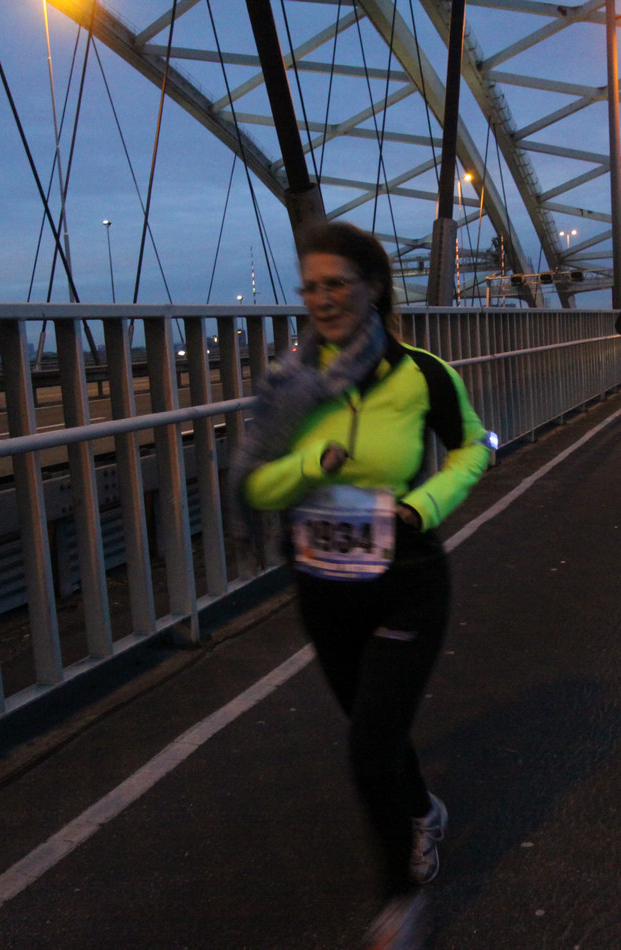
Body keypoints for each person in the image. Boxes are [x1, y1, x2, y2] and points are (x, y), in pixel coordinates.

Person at [232, 221, 491, 949]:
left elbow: (475, 448)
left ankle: (400, 900)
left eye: (336, 284)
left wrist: (423, 505)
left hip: (406, 580)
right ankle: (423, 810)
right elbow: (255, 485)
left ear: (372, 287)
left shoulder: (423, 375)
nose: (322, 299)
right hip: (322, 586)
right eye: (310, 287)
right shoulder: (288, 387)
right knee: (373, 729)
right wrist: (310, 467)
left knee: (370, 744)